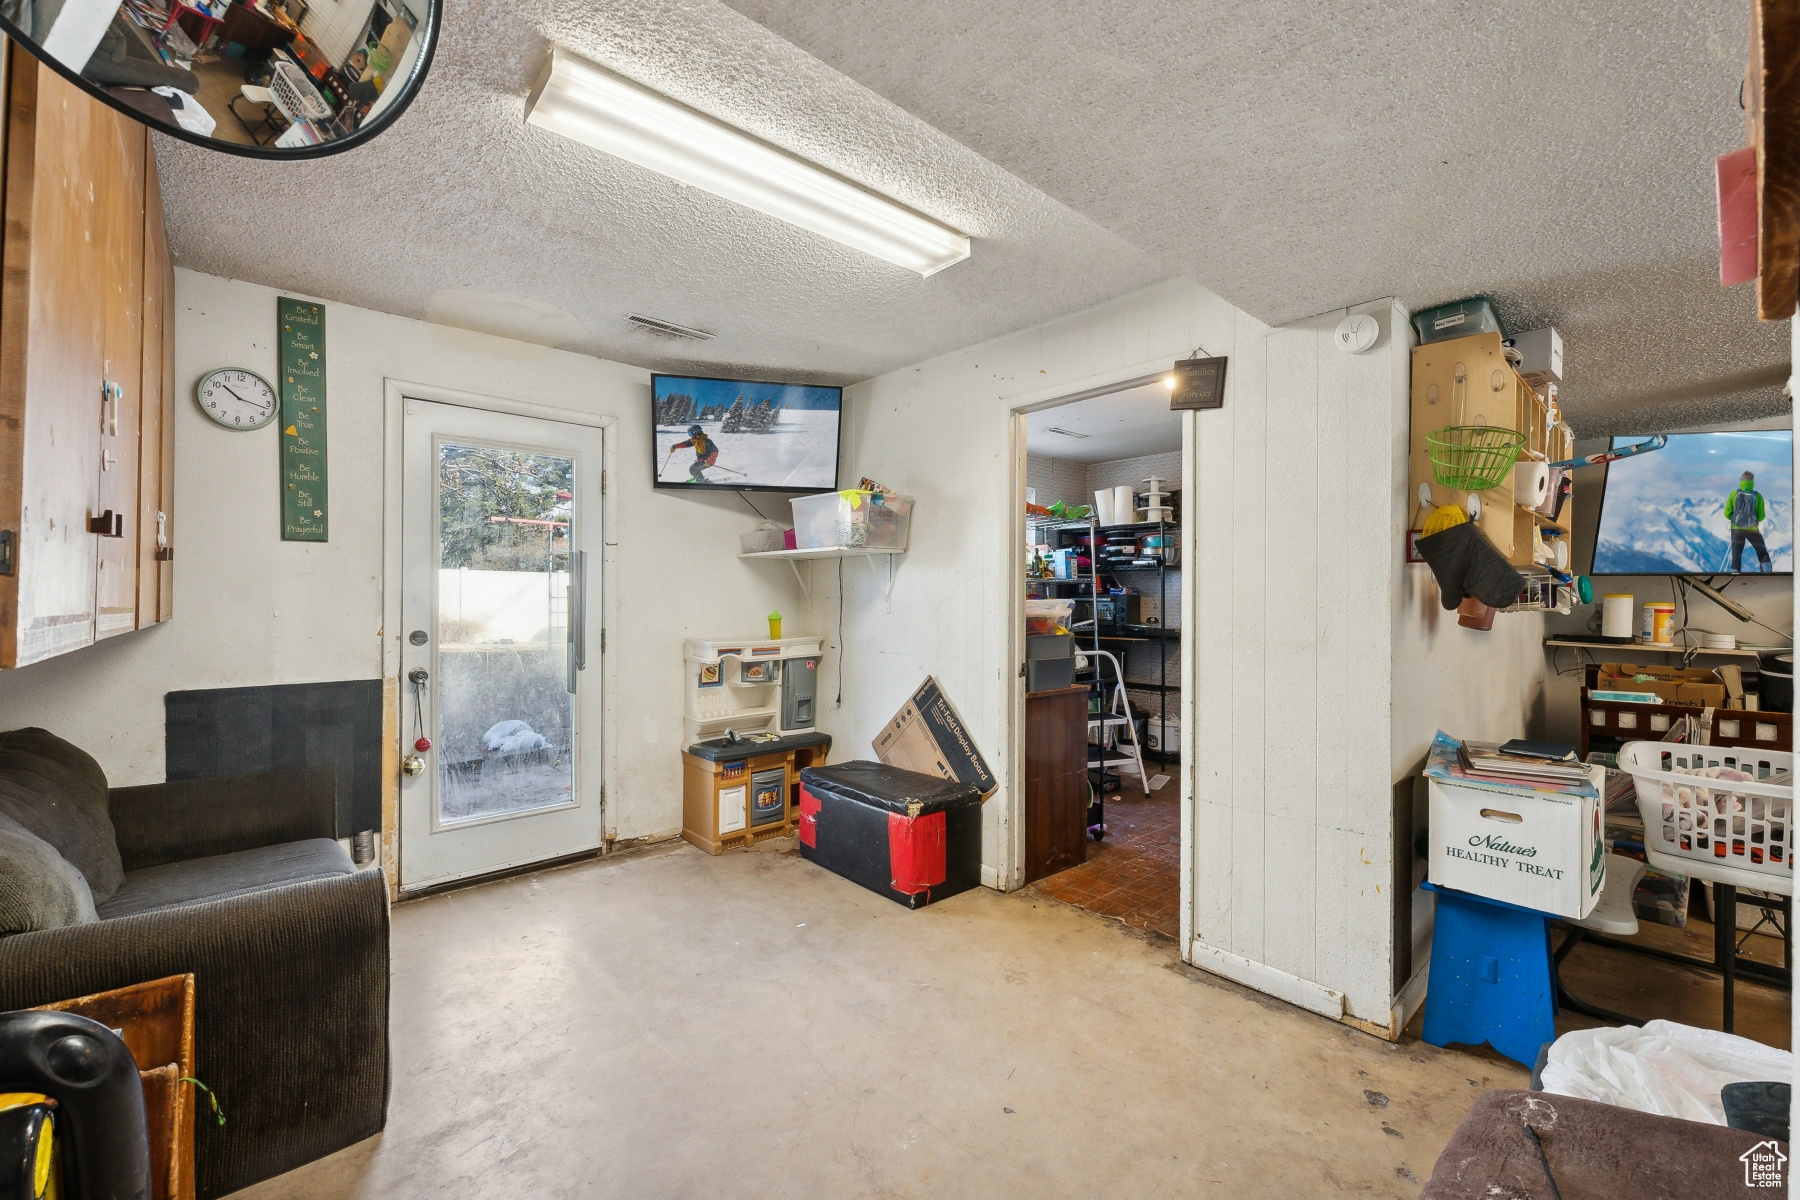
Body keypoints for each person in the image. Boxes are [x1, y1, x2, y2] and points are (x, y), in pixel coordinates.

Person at [1725, 470, 1773, 573]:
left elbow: (1726, 513)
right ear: (1752, 481)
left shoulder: (1734, 494)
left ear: (1741, 481)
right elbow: (1761, 516)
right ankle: (1767, 572)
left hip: (1736, 529)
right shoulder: (1757, 496)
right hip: (1752, 529)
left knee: (1736, 554)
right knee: (1761, 551)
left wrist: (1735, 519)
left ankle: (1734, 573)